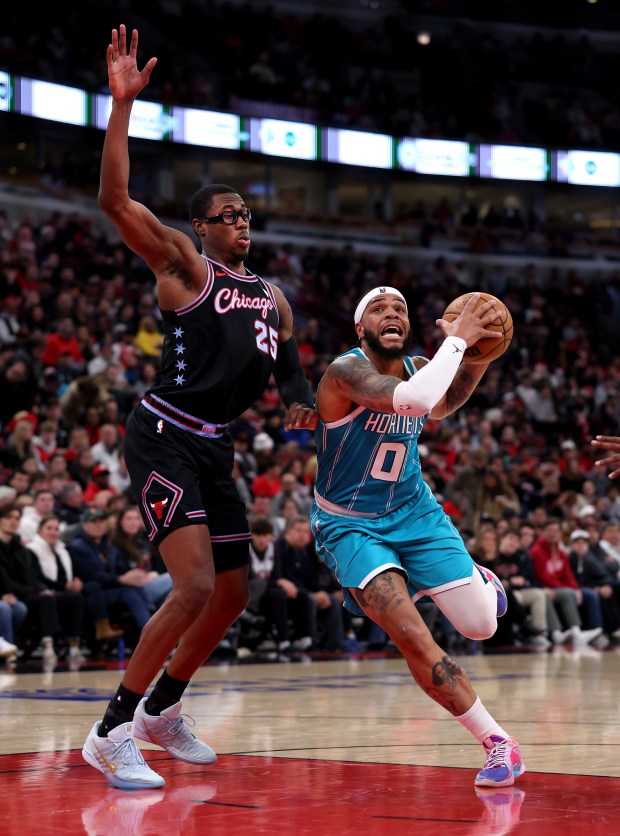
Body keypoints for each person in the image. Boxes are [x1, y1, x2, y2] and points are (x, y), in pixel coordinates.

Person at [82, 24, 316, 791]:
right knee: (188, 588)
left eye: (248, 213)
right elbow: (114, 198)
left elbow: (292, 387)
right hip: (164, 435)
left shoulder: (274, 297)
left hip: (216, 444)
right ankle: (112, 731)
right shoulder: (185, 265)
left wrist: (315, 413)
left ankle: (163, 710)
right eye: (228, 214)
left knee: (234, 590)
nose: (242, 222)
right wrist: (121, 109)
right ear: (204, 227)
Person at [310, 285, 525, 788]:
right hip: (349, 524)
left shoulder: (420, 365)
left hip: (414, 512)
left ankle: (477, 581)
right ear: (360, 328)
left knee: (480, 626)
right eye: (379, 309)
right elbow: (413, 401)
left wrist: (476, 358)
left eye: (401, 309)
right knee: (410, 634)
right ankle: (498, 742)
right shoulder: (346, 371)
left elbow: (443, 402)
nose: (392, 314)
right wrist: (456, 344)